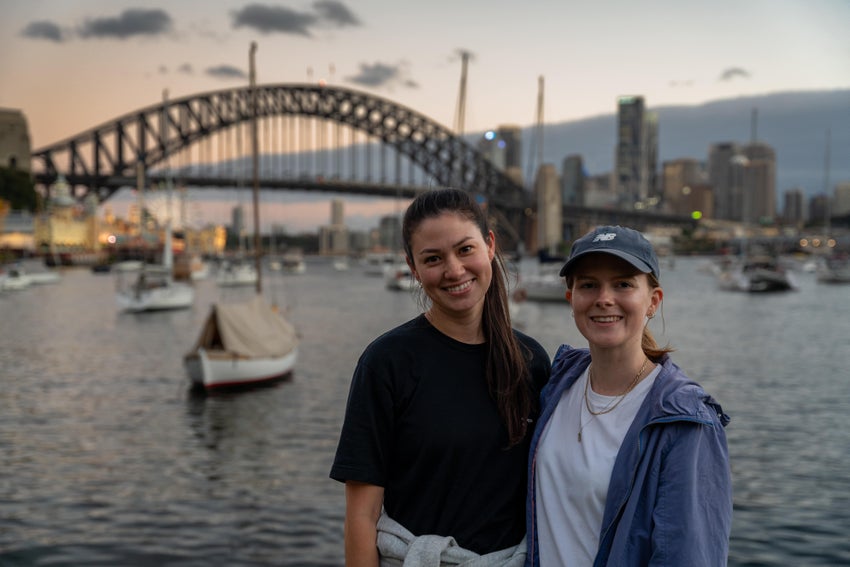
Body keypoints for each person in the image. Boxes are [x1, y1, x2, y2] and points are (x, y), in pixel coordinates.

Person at [330, 188, 551, 566]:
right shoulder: (386, 363)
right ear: (413, 268)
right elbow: (362, 517)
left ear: (490, 246)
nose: (453, 270)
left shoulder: (530, 362)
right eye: (433, 259)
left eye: (465, 249)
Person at [526, 225, 732, 567]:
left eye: (622, 284)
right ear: (571, 299)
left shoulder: (685, 420)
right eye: (589, 285)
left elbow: (689, 557)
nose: (604, 298)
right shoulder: (559, 382)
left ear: (653, 301)